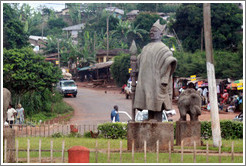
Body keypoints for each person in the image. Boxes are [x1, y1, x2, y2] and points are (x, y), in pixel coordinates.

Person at [133, 19, 177, 122]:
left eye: (155, 31)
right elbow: (140, 61)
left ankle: (157, 118)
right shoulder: (145, 48)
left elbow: (169, 62)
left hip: (157, 81)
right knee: (148, 100)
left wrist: (165, 78)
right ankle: (150, 117)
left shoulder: (164, 48)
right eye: (151, 31)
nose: (152, 33)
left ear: (161, 34)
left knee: (157, 100)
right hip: (146, 81)